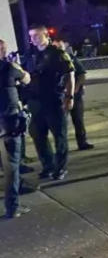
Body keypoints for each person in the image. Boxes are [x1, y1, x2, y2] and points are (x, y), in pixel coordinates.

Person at [23, 24, 74, 181]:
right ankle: (48, 166)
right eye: (31, 36)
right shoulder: (29, 55)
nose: (34, 39)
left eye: (37, 35)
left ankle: (60, 168)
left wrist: (69, 97)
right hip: (35, 102)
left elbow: (70, 74)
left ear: (46, 35)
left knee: (59, 136)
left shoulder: (57, 53)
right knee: (38, 135)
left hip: (53, 100)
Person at [0, 40, 30, 218]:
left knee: (4, 165)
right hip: (8, 124)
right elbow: (27, 78)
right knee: (11, 167)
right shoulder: (8, 67)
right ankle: (12, 207)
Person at [55, 40, 94, 151]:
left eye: (60, 47)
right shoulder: (51, 60)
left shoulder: (70, 58)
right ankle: (62, 146)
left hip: (75, 96)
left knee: (78, 120)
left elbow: (81, 74)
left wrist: (75, 89)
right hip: (60, 96)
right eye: (56, 47)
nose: (59, 49)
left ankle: (82, 142)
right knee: (62, 122)